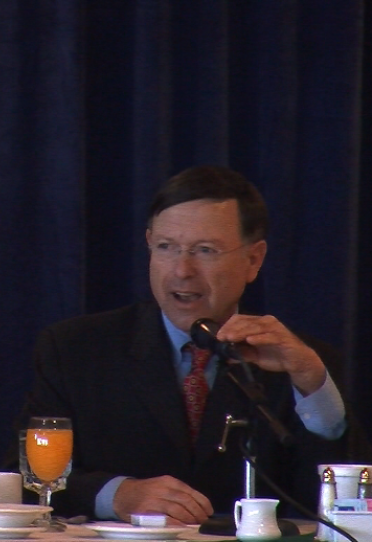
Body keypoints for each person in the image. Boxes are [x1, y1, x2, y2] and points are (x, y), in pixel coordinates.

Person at [18, 165, 370, 524]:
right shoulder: (75, 349)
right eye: (166, 247)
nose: (182, 270)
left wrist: (312, 385)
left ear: (253, 259)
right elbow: (29, 482)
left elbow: (347, 507)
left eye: (205, 250)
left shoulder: (302, 364)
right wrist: (117, 495)